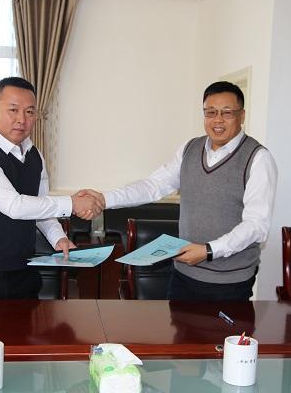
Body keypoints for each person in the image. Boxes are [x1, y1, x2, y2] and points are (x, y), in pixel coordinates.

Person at [80, 81, 278, 300]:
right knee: (177, 324)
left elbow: (257, 225)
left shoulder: (258, 159)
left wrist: (209, 250)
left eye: (227, 112)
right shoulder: (189, 149)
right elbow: (153, 186)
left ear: (242, 115)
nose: (218, 120)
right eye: (211, 112)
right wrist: (104, 199)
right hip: (183, 274)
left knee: (222, 326)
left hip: (229, 281)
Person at [0, 76, 103, 299]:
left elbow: (41, 207)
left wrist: (58, 238)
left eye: (29, 112)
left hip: (24, 269)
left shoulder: (34, 155)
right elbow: (14, 206)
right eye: (13, 110)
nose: (21, 119)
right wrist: (73, 203)